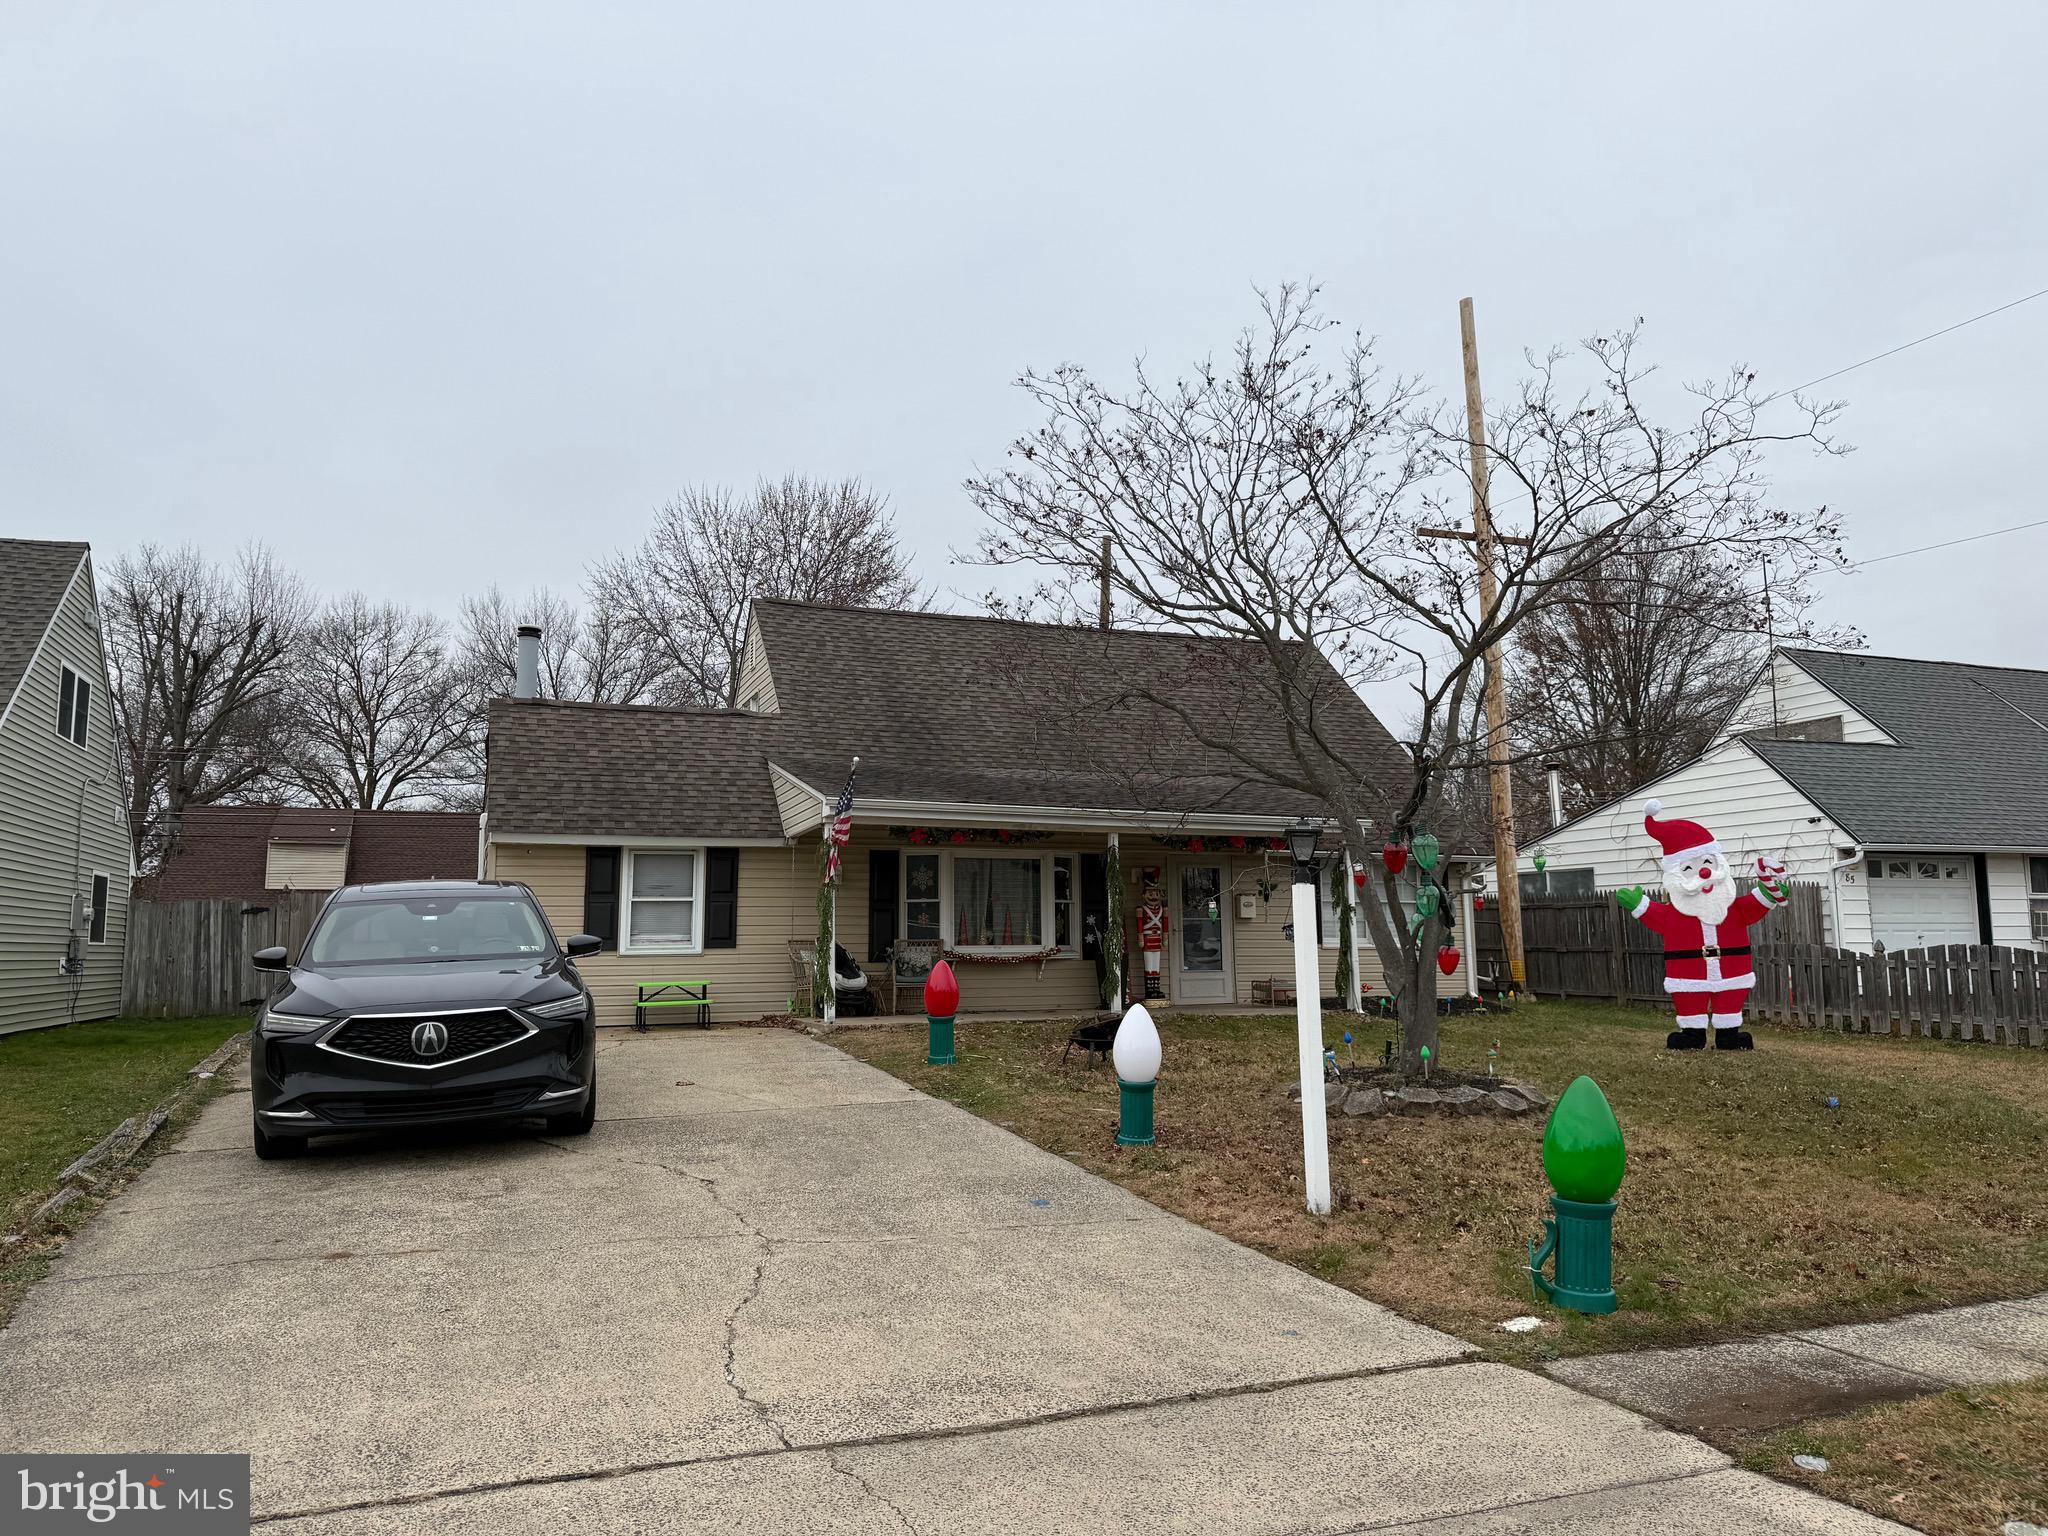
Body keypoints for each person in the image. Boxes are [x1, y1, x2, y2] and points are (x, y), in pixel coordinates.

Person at [1617, 799, 1786, 1050]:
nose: (1704, 873)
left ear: (1718, 865)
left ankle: (1728, 1035)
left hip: (1731, 971)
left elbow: (1753, 906)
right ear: (1676, 875)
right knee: (1689, 1000)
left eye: (1707, 864)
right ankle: (1692, 1035)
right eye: (1689, 868)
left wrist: (1769, 893)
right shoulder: (1675, 913)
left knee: (1729, 1001)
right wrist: (1639, 904)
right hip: (1688, 973)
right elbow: (1658, 916)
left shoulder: (1734, 907)